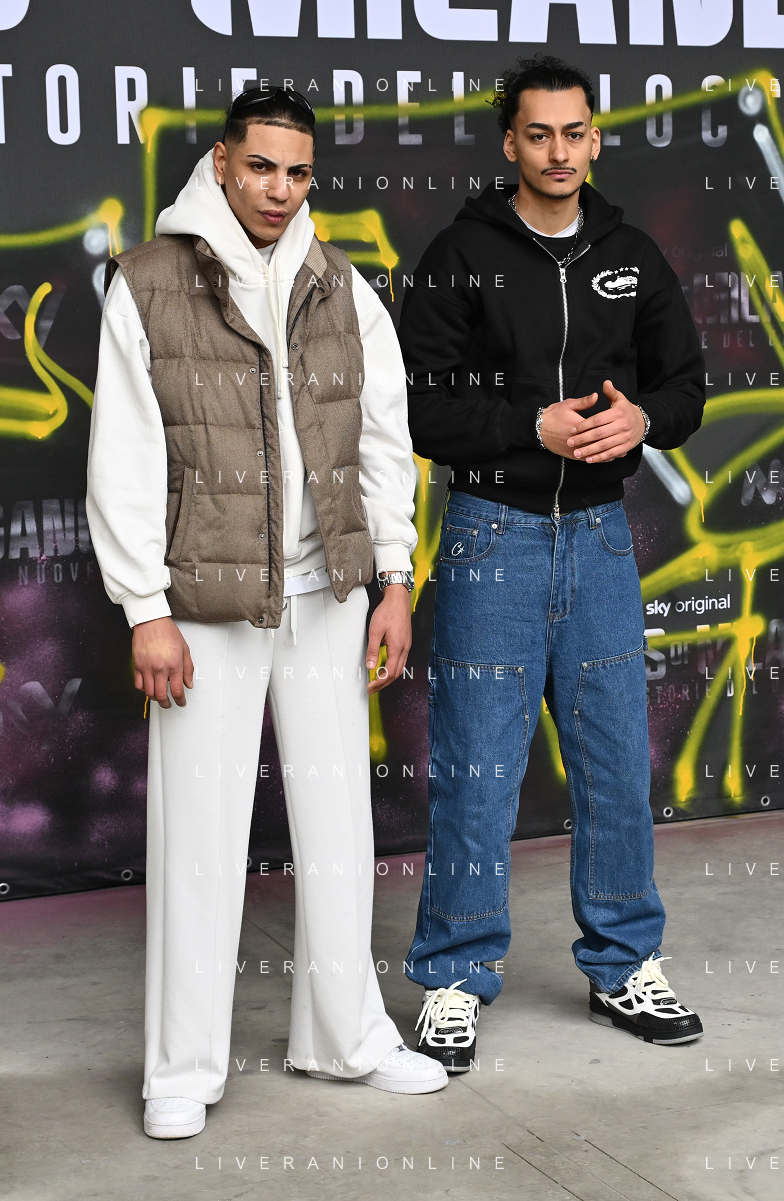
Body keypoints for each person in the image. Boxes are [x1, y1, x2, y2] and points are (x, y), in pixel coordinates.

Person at [86, 85, 447, 1140]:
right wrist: (145, 607)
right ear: (221, 162)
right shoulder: (148, 282)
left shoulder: (341, 284)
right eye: (261, 167)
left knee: (339, 830)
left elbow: (381, 440)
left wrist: (394, 577)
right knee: (196, 838)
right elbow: (123, 455)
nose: (280, 190)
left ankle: (347, 1037)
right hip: (203, 600)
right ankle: (181, 1067)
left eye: (298, 173)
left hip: (326, 592)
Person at [398, 56, 705, 1072]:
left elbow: (686, 386)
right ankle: (453, 977)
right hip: (493, 534)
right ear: (510, 143)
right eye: (539, 134)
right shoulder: (462, 253)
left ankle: (624, 964)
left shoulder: (629, 255)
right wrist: (527, 425)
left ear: (594, 138)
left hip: (601, 539)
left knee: (615, 766)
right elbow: (417, 405)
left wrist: (644, 418)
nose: (559, 151)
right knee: (478, 769)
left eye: (574, 133)